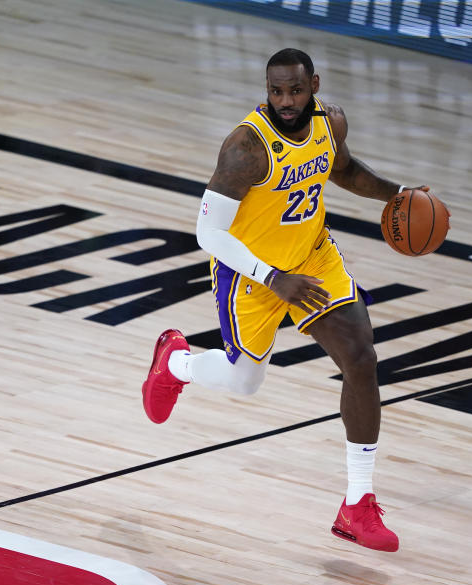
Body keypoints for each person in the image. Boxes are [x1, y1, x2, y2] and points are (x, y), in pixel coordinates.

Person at [142, 48, 431, 553]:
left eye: (295, 90)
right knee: (244, 381)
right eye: (276, 91)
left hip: (313, 258)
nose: (286, 100)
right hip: (251, 273)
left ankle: (357, 505)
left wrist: (398, 194)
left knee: (361, 359)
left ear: (313, 84)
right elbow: (207, 233)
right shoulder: (245, 148)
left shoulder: (328, 123)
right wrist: (271, 276)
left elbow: (342, 170)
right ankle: (176, 363)